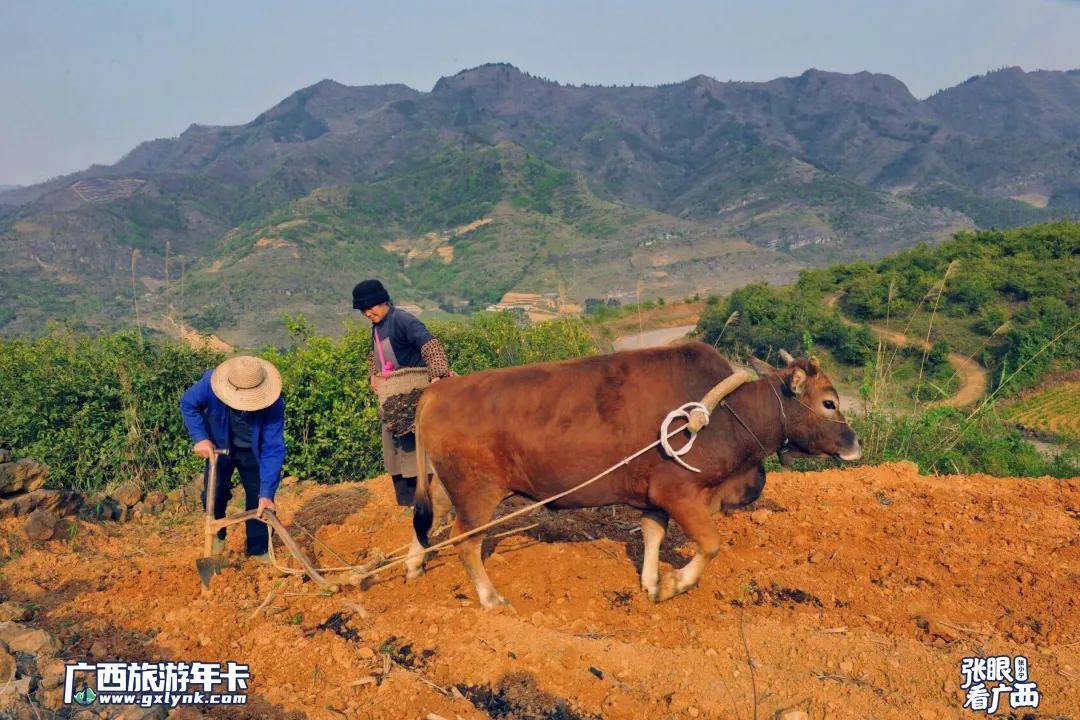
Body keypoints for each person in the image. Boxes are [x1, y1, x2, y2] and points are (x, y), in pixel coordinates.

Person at [352, 279, 451, 505]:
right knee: (396, 451)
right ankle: (412, 501)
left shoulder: (402, 320)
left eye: (371, 307)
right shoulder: (377, 328)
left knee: (416, 451)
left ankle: (432, 500)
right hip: (394, 401)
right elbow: (374, 355)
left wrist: (437, 375)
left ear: (384, 301)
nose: (368, 312)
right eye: (363, 310)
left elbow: (431, 345)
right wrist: (373, 376)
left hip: (415, 395)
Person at [179, 355, 286, 562]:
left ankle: (259, 547)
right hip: (220, 449)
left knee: (258, 499)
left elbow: (274, 447)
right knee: (214, 493)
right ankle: (218, 534)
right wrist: (201, 439)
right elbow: (188, 404)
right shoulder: (210, 384)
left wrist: (267, 493)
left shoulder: (274, 402)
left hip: (254, 452)